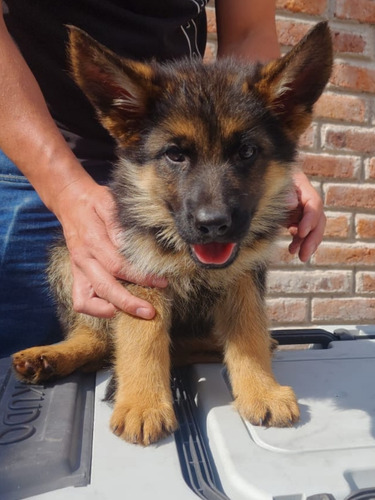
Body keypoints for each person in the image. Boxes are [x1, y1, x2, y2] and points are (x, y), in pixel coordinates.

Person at [0, 0, 325, 357]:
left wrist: (272, 147)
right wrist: (64, 189)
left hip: (193, 127)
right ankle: (87, 344)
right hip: (36, 160)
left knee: (200, 330)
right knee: (34, 391)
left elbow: (250, 30)